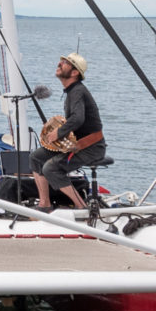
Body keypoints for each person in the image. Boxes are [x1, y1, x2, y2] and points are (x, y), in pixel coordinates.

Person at [32, 52, 106, 211]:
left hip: (91, 148)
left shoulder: (77, 91)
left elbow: (77, 118)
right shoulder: (72, 91)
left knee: (50, 168)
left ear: (74, 73)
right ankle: (45, 204)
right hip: (76, 145)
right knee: (36, 157)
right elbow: (76, 121)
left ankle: (82, 207)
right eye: (61, 61)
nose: (59, 64)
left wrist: (58, 133)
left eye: (65, 63)